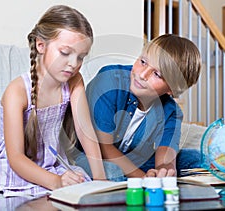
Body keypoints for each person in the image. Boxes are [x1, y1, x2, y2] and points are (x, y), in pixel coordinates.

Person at [0, 5, 106, 197]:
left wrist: (100, 179)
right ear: (40, 45)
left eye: (81, 57)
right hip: (13, 162)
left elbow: (85, 130)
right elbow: (16, 158)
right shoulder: (16, 92)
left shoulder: (74, 82)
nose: (73, 64)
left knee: (80, 187)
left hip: (48, 161)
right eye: (65, 53)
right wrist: (56, 181)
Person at [77, 34, 202, 181]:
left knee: (196, 158)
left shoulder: (171, 112)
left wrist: (164, 171)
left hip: (135, 162)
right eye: (143, 62)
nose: (142, 75)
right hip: (94, 157)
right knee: (111, 171)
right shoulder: (109, 80)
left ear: (172, 89)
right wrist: (144, 178)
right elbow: (103, 147)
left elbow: (165, 156)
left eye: (157, 74)